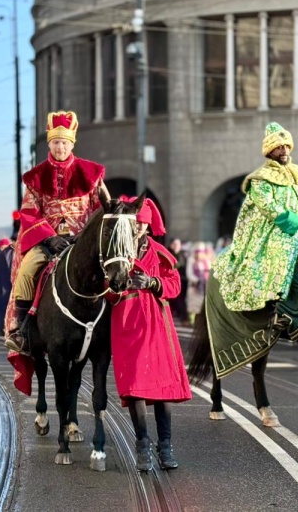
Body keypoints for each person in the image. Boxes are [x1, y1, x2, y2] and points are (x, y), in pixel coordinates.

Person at [210, 122, 298, 332]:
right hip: (276, 228)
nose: (284, 150)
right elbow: (269, 207)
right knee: (281, 248)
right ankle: (275, 307)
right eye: (279, 147)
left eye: (287, 146)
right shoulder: (260, 179)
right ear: (270, 151)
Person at [4, 111, 108, 354]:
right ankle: (22, 330)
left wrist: (86, 237)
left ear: (72, 143)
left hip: (82, 241)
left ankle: (112, 327)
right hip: (48, 242)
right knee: (27, 271)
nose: (60, 147)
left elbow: (100, 208)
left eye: (64, 143)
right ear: (49, 143)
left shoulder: (91, 174)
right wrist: (50, 238)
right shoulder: (36, 177)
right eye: (55, 142)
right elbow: (29, 212)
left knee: (109, 271)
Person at [108, 197, 192, 471]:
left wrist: (154, 282)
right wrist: (119, 287)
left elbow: (174, 284)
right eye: (135, 223)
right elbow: (105, 291)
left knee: (163, 385)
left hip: (157, 320)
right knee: (135, 386)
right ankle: (142, 444)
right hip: (128, 320)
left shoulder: (160, 252)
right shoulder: (116, 252)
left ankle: (165, 445)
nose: (140, 228)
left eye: (144, 223)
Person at [168, 238, 189, 325]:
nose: (177, 246)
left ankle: (183, 318)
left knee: (182, 300)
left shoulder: (183, 255)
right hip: (172, 281)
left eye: (178, 244)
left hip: (183, 281)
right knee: (177, 301)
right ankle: (182, 318)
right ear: (171, 245)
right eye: (175, 244)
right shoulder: (168, 254)